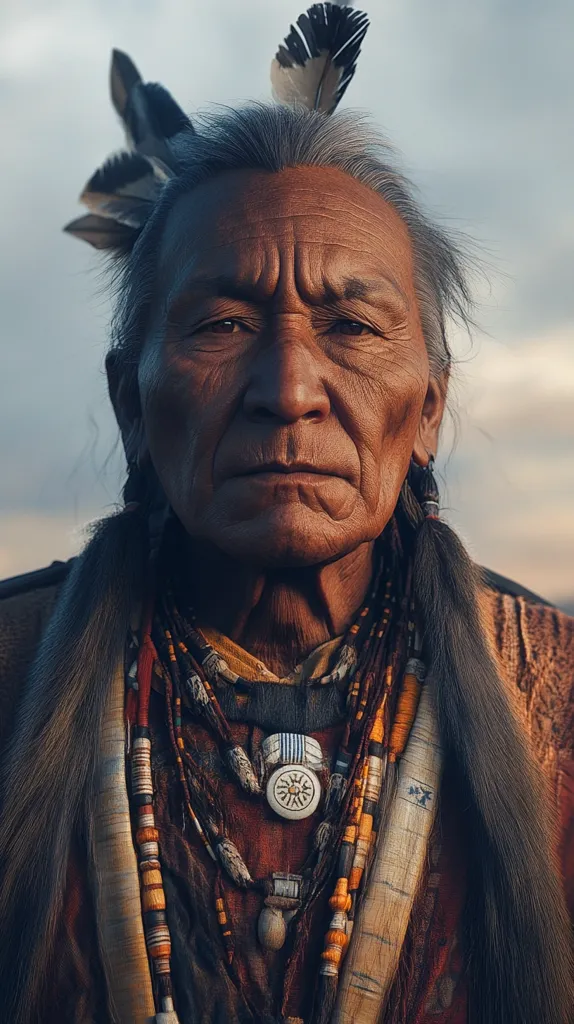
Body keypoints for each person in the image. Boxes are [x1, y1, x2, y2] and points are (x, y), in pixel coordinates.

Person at [0, 5, 572, 1023]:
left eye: (351, 325)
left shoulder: (554, 692)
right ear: (132, 402)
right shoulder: (13, 666)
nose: (291, 386)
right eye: (222, 323)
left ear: (427, 406)